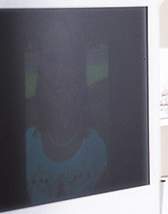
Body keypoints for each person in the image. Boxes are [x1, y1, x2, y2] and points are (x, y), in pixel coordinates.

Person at [24, 27, 108, 205]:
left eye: (67, 60)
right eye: (51, 60)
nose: (59, 75)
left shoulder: (96, 147)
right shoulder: (27, 145)